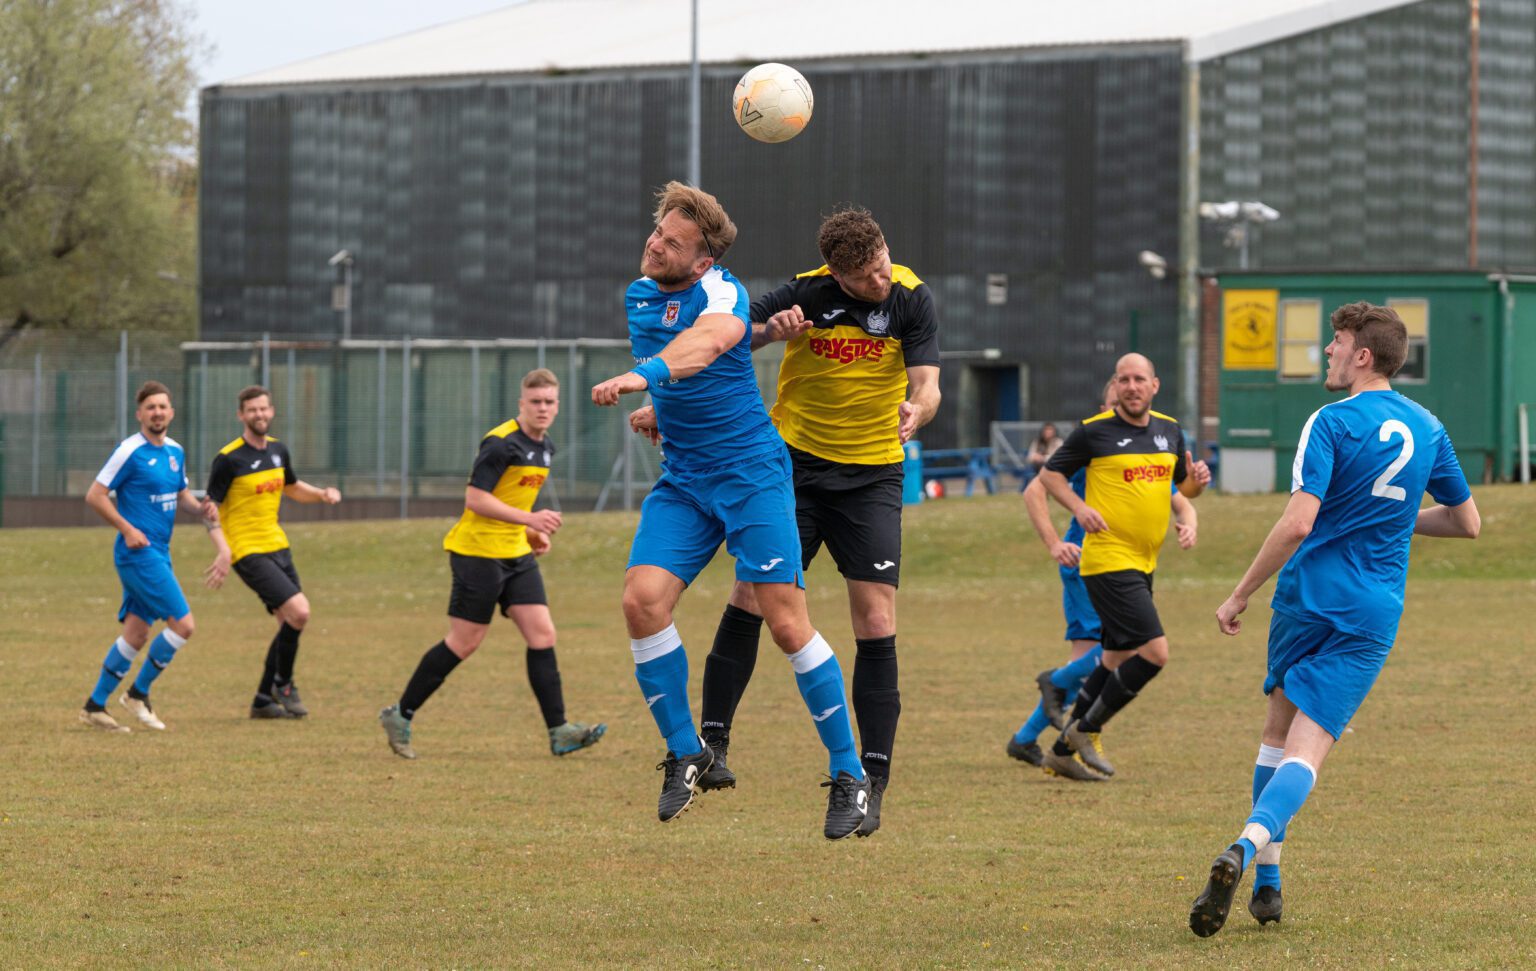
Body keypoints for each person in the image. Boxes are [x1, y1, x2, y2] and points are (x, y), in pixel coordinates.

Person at [634, 206, 940, 838]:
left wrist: (919, 408)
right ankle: (712, 745)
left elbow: (929, 384)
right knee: (752, 596)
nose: (879, 280)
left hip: (872, 475)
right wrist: (772, 330)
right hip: (794, 463)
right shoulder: (807, 292)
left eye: (881, 264)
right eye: (864, 276)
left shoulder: (910, 298)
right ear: (836, 274)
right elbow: (725, 337)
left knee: (874, 619)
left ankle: (870, 779)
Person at [590, 182, 870, 839]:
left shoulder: (724, 293)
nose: (655, 245)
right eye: (657, 232)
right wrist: (661, 407)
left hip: (750, 475)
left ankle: (849, 774)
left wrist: (642, 379)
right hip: (686, 480)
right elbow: (690, 373)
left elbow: (708, 345)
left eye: (673, 243)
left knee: (785, 622)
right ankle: (687, 752)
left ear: (704, 261)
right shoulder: (640, 294)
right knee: (642, 600)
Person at [1189, 302, 1479, 937]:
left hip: (1305, 599)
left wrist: (1239, 593)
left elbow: (1298, 523)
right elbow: (1467, 522)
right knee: (1308, 749)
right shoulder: (1429, 427)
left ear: (1363, 356)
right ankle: (1248, 851)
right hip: (1370, 609)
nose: (1328, 351)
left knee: (1276, 734)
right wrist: (1394, 518)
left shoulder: (1330, 421)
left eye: (1337, 342)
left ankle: (1267, 882)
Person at [379, 368, 605, 760]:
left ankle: (560, 731)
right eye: (535, 402)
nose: (542, 408)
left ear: (557, 406)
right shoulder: (501, 443)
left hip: (515, 554)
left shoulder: (545, 448)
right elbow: (476, 499)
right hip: (477, 553)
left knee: (542, 635)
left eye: (549, 402)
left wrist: (531, 532)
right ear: (522, 404)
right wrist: (531, 519)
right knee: (464, 642)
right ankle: (400, 714)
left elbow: (511, 500)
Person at [1034, 353, 1211, 779]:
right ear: (1116, 385)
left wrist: (1196, 489)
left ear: (1154, 385)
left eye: (1139, 379)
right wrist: (1079, 509)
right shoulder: (1093, 432)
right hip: (1107, 560)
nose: (1132, 386)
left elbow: (1181, 487)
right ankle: (1085, 729)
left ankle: (1060, 752)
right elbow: (1049, 477)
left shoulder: (1170, 431)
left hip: (1145, 561)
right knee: (1154, 653)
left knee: (1114, 657)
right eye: (1124, 379)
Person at [78, 381, 230, 733]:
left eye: (162, 406)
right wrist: (127, 528)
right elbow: (95, 495)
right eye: (151, 407)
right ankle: (137, 694)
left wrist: (201, 508)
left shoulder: (175, 451)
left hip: (159, 551)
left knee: (136, 633)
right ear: (140, 414)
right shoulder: (129, 451)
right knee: (184, 625)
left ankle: (94, 706)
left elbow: (181, 495)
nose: (157, 412)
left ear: (171, 412)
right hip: (137, 554)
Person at [205, 385, 341, 719]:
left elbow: (292, 487)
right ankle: (284, 684)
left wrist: (321, 494)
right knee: (300, 612)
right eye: (252, 410)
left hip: (278, 544)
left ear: (272, 411)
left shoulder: (278, 451)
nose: (259, 414)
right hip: (246, 549)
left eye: (263, 408)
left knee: (288, 622)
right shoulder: (229, 459)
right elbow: (209, 509)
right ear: (241, 415)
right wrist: (223, 550)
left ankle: (263, 700)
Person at [1021, 422, 1062, 488]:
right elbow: (1030, 456)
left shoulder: (1058, 442)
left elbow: (1057, 457)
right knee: (1028, 472)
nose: (1048, 432)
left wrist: (1043, 458)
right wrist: (1035, 457)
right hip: (1037, 468)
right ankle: (1027, 489)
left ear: (1054, 432)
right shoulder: (1037, 442)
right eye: (1046, 430)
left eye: (1050, 430)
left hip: (1053, 469)